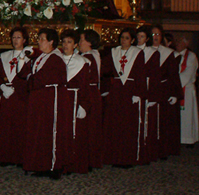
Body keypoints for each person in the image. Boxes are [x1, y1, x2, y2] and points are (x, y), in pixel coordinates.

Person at [23, 28, 70, 179]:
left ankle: (54, 166)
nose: (39, 41)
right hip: (40, 98)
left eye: (42, 39)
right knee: (40, 131)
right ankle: (41, 164)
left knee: (50, 131)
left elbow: (40, 78)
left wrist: (30, 78)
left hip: (50, 98)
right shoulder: (42, 57)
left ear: (51, 42)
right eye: (39, 38)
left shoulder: (55, 58)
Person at [101, 28, 147, 167]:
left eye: (127, 38)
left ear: (132, 40)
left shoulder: (137, 53)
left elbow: (140, 74)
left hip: (129, 91)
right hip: (116, 91)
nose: (123, 40)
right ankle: (113, 157)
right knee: (114, 124)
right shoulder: (114, 52)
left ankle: (126, 158)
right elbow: (105, 69)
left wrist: (138, 94)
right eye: (122, 37)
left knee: (127, 125)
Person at [0, 27, 32, 167]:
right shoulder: (5, 56)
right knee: (5, 126)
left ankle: (19, 157)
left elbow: (28, 77)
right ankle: (5, 156)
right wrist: (2, 87)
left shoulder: (29, 57)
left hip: (20, 96)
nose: (16, 40)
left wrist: (16, 88)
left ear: (25, 40)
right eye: (14, 37)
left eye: (19, 37)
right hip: (6, 95)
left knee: (20, 127)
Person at [59, 30, 91, 174]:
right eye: (64, 42)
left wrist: (83, 105)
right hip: (60, 99)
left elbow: (85, 86)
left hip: (75, 99)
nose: (66, 45)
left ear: (76, 44)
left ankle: (74, 163)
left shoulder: (82, 62)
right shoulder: (56, 59)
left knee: (74, 132)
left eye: (69, 42)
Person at [151, 25, 182, 158]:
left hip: (164, 90)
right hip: (150, 89)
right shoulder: (145, 52)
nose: (155, 37)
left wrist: (175, 94)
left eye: (158, 34)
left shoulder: (168, 54)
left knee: (163, 122)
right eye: (152, 35)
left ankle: (163, 150)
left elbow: (173, 76)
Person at [136, 25, 162, 162]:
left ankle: (147, 152)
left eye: (142, 37)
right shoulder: (132, 51)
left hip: (148, 86)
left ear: (147, 39)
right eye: (138, 36)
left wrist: (153, 96)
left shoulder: (153, 53)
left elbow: (155, 75)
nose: (139, 39)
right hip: (136, 89)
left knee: (148, 122)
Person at [79, 29, 103, 169]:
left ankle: (88, 160)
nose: (79, 43)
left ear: (89, 42)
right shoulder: (92, 55)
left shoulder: (88, 57)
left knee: (89, 128)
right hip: (92, 93)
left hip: (88, 94)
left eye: (82, 40)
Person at [175, 36, 198, 146]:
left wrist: (175, 83)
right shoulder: (174, 54)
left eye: (180, 42)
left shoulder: (191, 56)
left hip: (186, 90)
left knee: (187, 116)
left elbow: (188, 72)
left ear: (186, 44)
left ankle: (188, 138)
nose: (177, 44)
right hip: (176, 89)